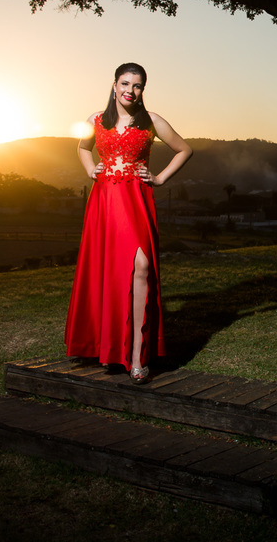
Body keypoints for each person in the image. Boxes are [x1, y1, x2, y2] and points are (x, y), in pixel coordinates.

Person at [64, 62, 192, 383]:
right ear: (114, 84)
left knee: (141, 267)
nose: (130, 91)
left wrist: (160, 177)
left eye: (137, 86)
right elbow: (82, 147)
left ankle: (137, 356)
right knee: (107, 271)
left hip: (136, 200)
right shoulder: (96, 120)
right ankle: (107, 349)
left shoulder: (151, 122)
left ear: (143, 90)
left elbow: (184, 149)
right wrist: (89, 167)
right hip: (105, 202)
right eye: (125, 83)